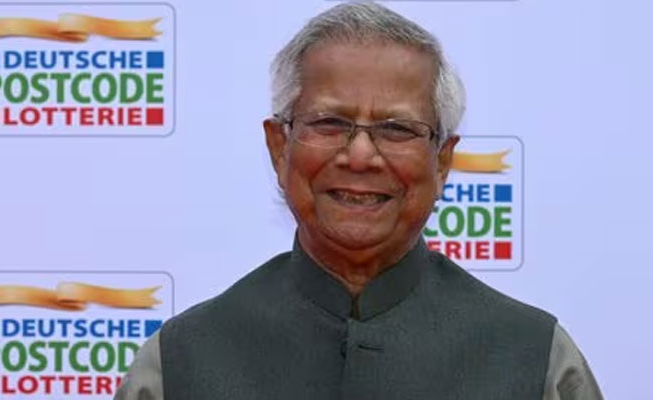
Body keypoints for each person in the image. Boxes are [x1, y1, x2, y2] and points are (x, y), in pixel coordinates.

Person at [115, 3, 603, 399]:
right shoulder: (181, 363)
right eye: (330, 123)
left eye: (397, 128)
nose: (362, 155)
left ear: (442, 162)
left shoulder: (535, 360)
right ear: (279, 146)